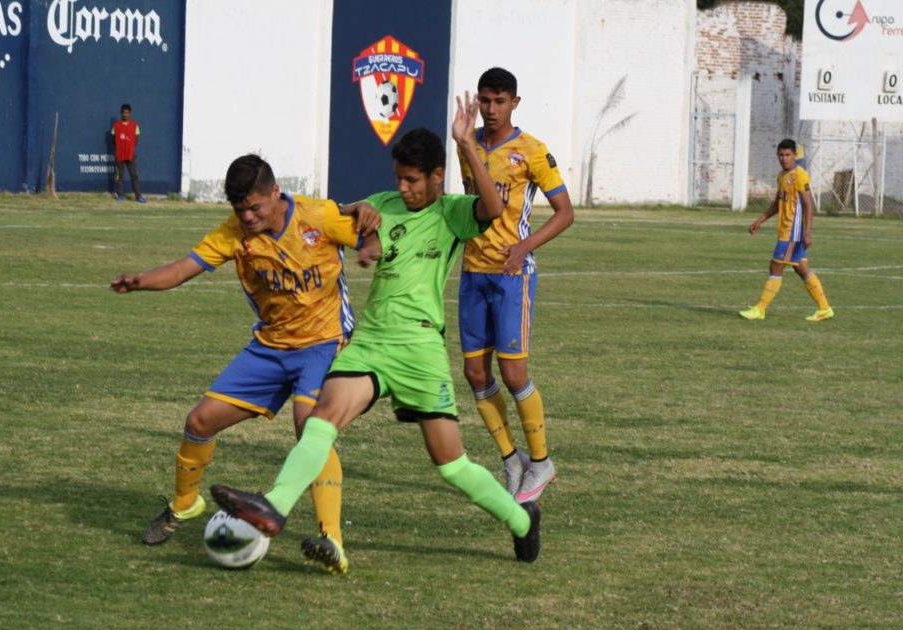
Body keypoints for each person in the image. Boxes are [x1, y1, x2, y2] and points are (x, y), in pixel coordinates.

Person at [210, 94, 543, 564]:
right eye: (398, 179)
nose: (403, 189)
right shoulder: (385, 203)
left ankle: (522, 521)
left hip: (421, 347)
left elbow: (493, 209)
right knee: (322, 420)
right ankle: (275, 506)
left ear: (436, 177)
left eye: (412, 180)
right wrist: (363, 231)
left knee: (452, 464)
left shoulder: (450, 213)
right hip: (371, 342)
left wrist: (467, 143)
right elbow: (347, 217)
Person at [110, 154, 380, 574]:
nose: (248, 217)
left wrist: (368, 224)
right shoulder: (233, 234)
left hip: (324, 343)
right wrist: (139, 281)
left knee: (310, 429)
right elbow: (183, 269)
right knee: (199, 421)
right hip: (270, 347)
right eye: (240, 210)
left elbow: (370, 231)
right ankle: (185, 504)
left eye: (256, 207)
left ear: (276, 192)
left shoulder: (318, 216)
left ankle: (332, 540)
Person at [455, 67, 574, 503]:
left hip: (511, 277)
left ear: (515, 104)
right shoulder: (467, 142)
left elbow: (565, 212)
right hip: (473, 273)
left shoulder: (532, 151)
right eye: (485, 100)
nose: (490, 109)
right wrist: (461, 140)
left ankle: (541, 462)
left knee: (513, 372)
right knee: (474, 373)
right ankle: (511, 460)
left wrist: (524, 247)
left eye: (499, 101)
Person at [739, 138, 834, 322]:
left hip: (793, 232)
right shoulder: (781, 175)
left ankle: (760, 309)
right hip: (786, 230)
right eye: (781, 155)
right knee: (802, 269)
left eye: (788, 155)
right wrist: (760, 220)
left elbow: (808, 205)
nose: (784, 158)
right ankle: (824, 308)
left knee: (775, 266)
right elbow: (777, 202)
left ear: (794, 155)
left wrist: (807, 233)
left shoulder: (800, 175)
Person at [112, 103, 145, 203]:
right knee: (119, 177)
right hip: (119, 155)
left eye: (127, 113)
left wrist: (129, 148)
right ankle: (120, 195)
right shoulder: (116, 125)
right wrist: (120, 148)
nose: (125, 114)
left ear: (130, 113)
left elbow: (136, 139)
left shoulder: (135, 125)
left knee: (134, 176)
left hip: (130, 155)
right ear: (121, 113)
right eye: (124, 112)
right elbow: (114, 139)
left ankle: (138, 196)